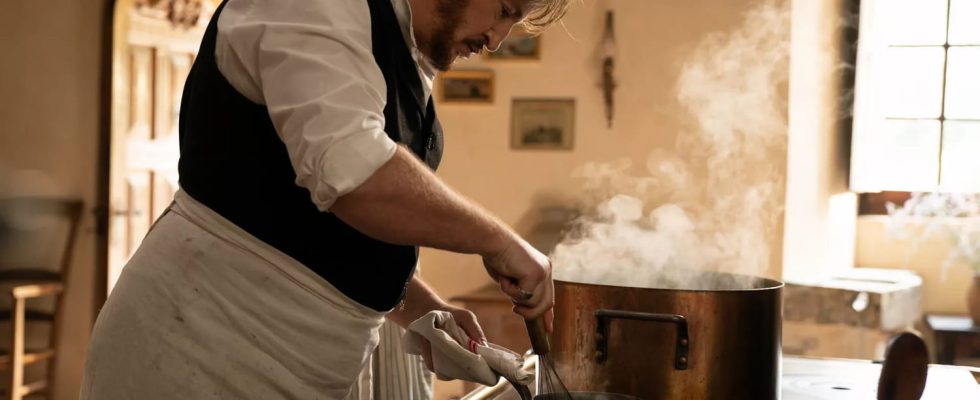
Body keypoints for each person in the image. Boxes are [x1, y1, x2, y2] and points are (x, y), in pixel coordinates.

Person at [81, 0, 570, 398]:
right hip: (196, 351)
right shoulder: (313, 6)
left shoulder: (398, 43)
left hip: (287, 365)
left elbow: (321, 231)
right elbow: (357, 178)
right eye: (505, 10)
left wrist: (420, 308)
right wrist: (498, 242)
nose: (498, 39)